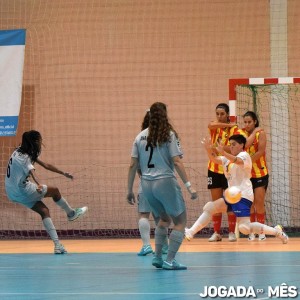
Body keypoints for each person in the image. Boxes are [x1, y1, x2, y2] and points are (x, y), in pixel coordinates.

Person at [127, 102, 198, 270]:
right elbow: (177, 161)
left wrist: (129, 189)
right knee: (180, 221)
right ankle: (170, 260)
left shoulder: (139, 137)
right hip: (165, 181)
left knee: (163, 219)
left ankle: (158, 257)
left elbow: (132, 165)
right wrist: (189, 186)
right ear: (165, 115)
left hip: (146, 184)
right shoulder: (169, 135)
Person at [185, 134, 288, 244]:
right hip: (232, 195)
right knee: (210, 207)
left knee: (244, 228)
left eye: (234, 144)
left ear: (241, 145)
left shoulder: (245, 155)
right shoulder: (227, 159)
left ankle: (277, 232)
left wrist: (224, 152)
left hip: (243, 195)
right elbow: (214, 159)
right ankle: (191, 232)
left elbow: (237, 161)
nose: (231, 147)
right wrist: (207, 149)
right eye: (230, 145)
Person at [5, 130, 88, 254]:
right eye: (40, 140)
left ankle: (58, 245)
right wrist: (38, 185)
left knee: (44, 211)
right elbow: (32, 172)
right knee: (55, 191)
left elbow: (45, 165)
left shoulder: (19, 150)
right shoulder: (26, 159)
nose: (41, 142)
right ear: (35, 142)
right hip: (23, 190)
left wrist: (63, 173)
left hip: (11, 192)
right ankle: (71, 214)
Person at [207, 103, 245, 242]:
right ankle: (216, 233)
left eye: (222, 114)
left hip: (229, 169)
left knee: (231, 200)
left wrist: (220, 149)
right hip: (214, 168)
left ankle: (231, 232)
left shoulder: (235, 130)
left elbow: (234, 149)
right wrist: (228, 125)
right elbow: (210, 125)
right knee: (216, 202)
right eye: (217, 113)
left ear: (227, 114)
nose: (219, 116)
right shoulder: (216, 127)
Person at [136, 110, 168, 256]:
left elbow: (135, 164)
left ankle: (146, 245)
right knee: (161, 217)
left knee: (143, 214)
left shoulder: (140, 138)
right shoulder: (165, 137)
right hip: (162, 182)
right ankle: (164, 247)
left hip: (146, 181)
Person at [243, 111, 269, 241]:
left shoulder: (261, 133)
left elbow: (260, 152)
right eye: (245, 122)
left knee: (259, 202)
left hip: (260, 173)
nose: (247, 124)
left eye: (249, 122)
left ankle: (262, 231)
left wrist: (246, 162)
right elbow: (246, 144)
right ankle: (251, 231)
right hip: (246, 175)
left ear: (255, 122)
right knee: (249, 203)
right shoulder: (242, 133)